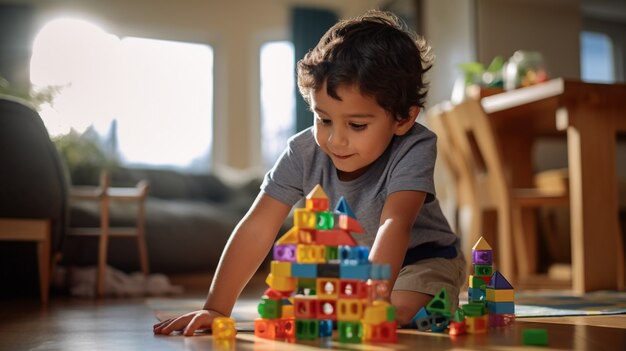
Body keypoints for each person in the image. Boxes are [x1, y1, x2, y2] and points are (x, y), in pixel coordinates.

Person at [154, 9, 465, 336]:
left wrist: (372, 299)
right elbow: (258, 227)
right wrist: (216, 308)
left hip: (422, 259)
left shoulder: (415, 145)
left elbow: (395, 222)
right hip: (349, 265)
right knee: (306, 307)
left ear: (403, 119)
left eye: (357, 125)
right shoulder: (302, 151)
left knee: (395, 309)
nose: (335, 139)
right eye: (323, 119)